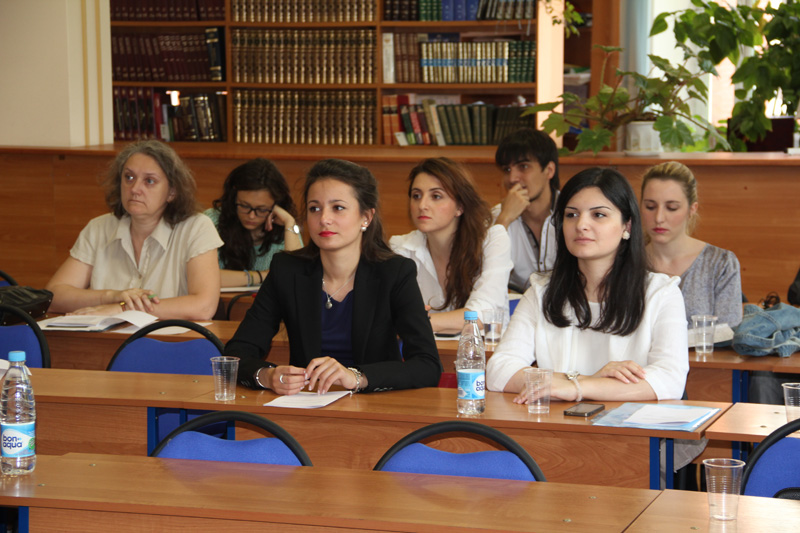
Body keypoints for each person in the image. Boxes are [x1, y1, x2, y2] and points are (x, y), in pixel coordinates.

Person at [224, 159, 442, 394]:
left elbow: (427, 365)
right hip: (305, 402)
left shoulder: (394, 272)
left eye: (337, 208)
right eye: (314, 208)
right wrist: (266, 376)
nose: (324, 219)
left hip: (373, 404)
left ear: (366, 217)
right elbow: (237, 353)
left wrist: (356, 377)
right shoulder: (287, 270)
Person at [486, 167, 688, 402]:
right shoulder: (542, 291)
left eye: (598, 215)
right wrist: (581, 380)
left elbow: (670, 380)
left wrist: (578, 388)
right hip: (558, 422)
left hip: (630, 424)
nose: (581, 224)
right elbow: (499, 371)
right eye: (571, 215)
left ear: (627, 226)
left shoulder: (661, 293)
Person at [45, 140, 222, 320]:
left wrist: (121, 310)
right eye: (129, 177)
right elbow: (53, 296)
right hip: (105, 335)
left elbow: (204, 306)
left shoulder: (196, 228)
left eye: (149, 181)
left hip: (172, 336)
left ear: (172, 192)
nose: (135, 189)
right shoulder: (99, 228)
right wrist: (112, 296)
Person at [389, 157, 512, 334]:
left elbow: (482, 314)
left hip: (482, 349)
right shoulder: (400, 248)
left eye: (436, 196)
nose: (422, 205)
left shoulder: (493, 239)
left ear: (460, 206)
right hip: (425, 350)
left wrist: (416, 321)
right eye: (416, 196)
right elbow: (389, 315)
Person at [640, 161, 743, 328]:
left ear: (692, 209)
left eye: (672, 208)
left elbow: (728, 335)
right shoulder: (625, 262)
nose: (659, 218)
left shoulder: (720, 263)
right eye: (650, 207)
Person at [204, 158, 302, 288]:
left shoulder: (286, 226)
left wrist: (290, 222)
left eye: (261, 209)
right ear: (233, 198)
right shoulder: (211, 220)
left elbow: (297, 278)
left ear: (276, 205)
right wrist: (263, 276)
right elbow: (202, 277)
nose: (251, 216)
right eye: (244, 206)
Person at [493, 127, 560, 292]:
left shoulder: (574, 213)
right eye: (507, 170)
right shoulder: (496, 218)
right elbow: (483, 276)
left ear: (549, 170)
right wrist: (504, 219)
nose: (512, 178)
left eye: (523, 166)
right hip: (516, 305)